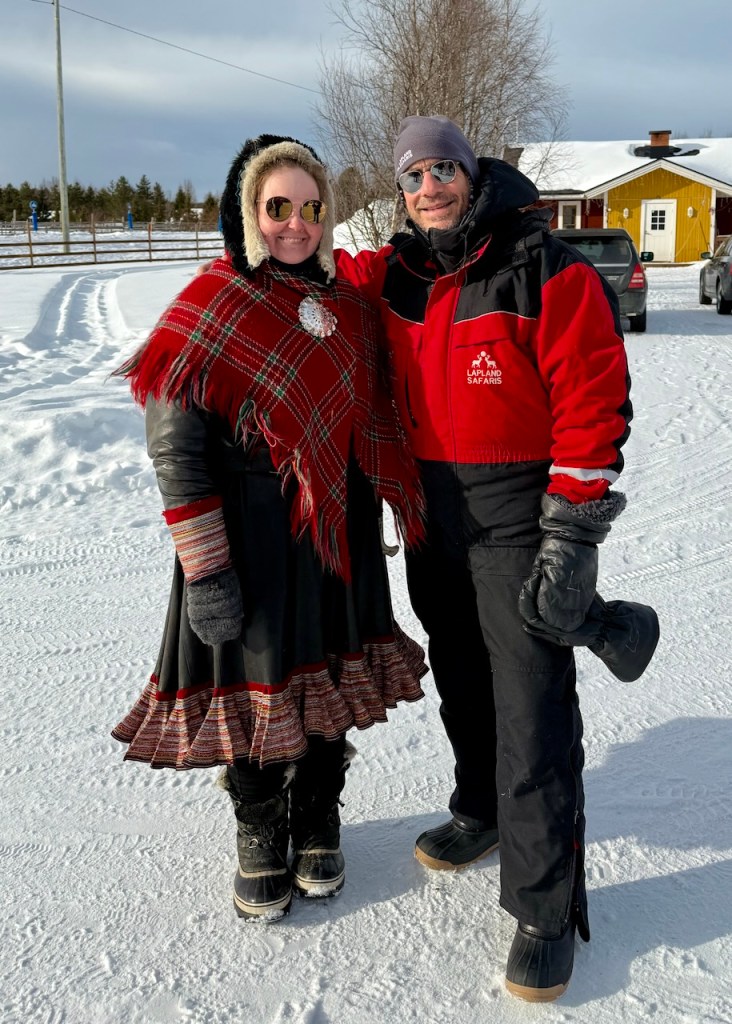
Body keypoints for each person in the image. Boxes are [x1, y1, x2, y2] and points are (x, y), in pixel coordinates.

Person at [334, 115, 659, 1001]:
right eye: (412, 176)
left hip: (521, 512)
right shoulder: (393, 276)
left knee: (530, 707)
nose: (429, 186)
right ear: (399, 194)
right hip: (434, 514)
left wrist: (573, 535)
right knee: (463, 677)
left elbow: (593, 403)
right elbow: (297, 269)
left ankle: (547, 906)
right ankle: (480, 809)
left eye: (444, 168)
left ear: (471, 176)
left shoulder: (544, 270)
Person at [111, 134, 427, 922]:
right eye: (277, 207)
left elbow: (380, 402)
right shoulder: (211, 305)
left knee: (326, 683)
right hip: (249, 536)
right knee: (257, 693)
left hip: (337, 532)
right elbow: (175, 448)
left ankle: (319, 814)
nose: (297, 225)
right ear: (248, 213)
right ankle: (260, 826)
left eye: (311, 209)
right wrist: (207, 567)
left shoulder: (343, 305)